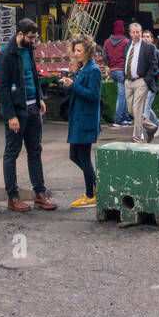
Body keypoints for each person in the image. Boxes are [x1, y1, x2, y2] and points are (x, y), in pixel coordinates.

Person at [0, 18, 57, 213]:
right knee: (11, 153)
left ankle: (40, 195)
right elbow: (3, 88)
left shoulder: (29, 50)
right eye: (31, 37)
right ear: (20, 34)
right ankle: (13, 198)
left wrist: (39, 97)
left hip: (33, 109)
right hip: (17, 112)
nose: (34, 41)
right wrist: (10, 115)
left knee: (35, 151)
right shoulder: (6, 55)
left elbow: (33, 75)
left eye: (35, 37)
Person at [61, 35, 102, 207]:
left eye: (79, 51)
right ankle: (95, 187)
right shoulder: (81, 67)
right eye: (75, 50)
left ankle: (90, 194)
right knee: (74, 155)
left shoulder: (93, 70)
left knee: (83, 157)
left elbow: (93, 96)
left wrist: (74, 86)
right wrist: (69, 85)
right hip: (78, 118)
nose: (76, 53)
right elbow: (78, 91)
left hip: (86, 119)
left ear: (88, 51)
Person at [121, 21, 159, 143]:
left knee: (138, 109)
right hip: (128, 81)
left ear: (141, 32)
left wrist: (146, 80)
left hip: (141, 81)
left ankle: (137, 138)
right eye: (133, 32)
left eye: (138, 32)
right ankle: (151, 127)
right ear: (130, 33)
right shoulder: (127, 45)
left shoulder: (148, 47)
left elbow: (154, 65)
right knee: (131, 110)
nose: (136, 34)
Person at [102, 20, 131, 127]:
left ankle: (125, 117)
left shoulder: (106, 42)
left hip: (113, 71)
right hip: (122, 71)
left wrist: (108, 65)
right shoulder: (126, 41)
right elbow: (128, 57)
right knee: (122, 95)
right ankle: (118, 119)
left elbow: (104, 56)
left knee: (123, 94)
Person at [141, 30, 159, 132]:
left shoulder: (157, 52)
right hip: (141, 84)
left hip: (152, 85)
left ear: (152, 39)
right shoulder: (139, 52)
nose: (145, 38)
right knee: (146, 107)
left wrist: (153, 73)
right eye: (144, 36)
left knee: (145, 108)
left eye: (148, 37)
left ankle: (142, 132)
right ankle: (157, 124)